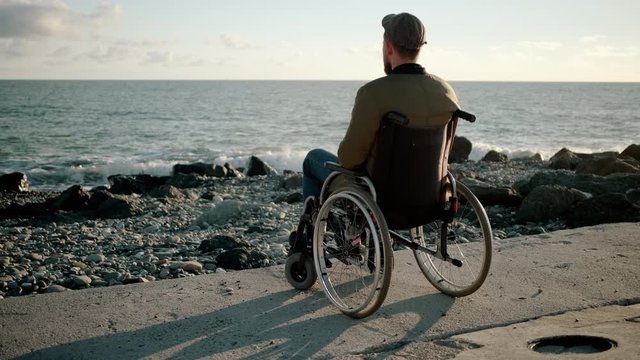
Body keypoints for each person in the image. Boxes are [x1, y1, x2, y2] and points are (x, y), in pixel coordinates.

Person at [301, 12, 460, 212]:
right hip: (430, 194)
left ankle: (309, 235)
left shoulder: (373, 93)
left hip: (380, 198)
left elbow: (349, 160)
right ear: (420, 47)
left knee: (313, 158)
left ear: (388, 46)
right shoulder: (446, 91)